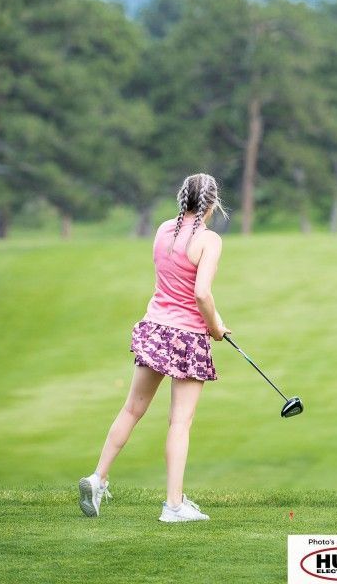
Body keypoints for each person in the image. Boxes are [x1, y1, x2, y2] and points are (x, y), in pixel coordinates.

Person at [78, 172, 230, 522]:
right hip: (187, 337)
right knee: (180, 422)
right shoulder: (210, 241)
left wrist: (217, 321)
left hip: (155, 329)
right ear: (212, 204)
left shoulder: (163, 230)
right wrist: (213, 329)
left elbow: (175, 286)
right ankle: (174, 506)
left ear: (183, 199)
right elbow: (200, 293)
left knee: (132, 409)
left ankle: (97, 478)